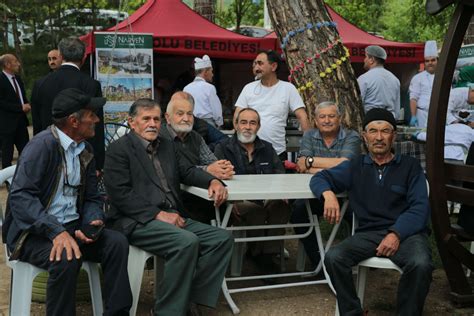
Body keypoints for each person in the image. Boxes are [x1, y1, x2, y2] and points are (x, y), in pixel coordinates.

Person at [2, 88, 133, 316]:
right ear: (74, 121)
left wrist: (92, 221)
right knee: (66, 257)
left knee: (116, 243)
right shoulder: (41, 147)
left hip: (71, 228)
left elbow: (93, 196)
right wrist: (55, 231)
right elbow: (21, 198)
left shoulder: (86, 149)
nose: (97, 120)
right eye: (91, 115)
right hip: (33, 235)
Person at [104, 98, 234, 315]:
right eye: (146, 119)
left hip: (173, 215)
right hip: (137, 220)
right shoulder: (119, 149)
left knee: (222, 239)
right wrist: (157, 214)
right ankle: (167, 311)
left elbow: (188, 171)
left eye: (155, 118)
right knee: (186, 242)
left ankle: (191, 300)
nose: (152, 123)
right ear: (132, 122)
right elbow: (120, 194)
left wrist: (213, 181)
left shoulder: (166, 146)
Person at [312, 108, 433, 315]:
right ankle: (352, 312)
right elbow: (320, 178)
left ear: (393, 136)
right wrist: (328, 195)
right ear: (364, 136)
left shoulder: (410, 166)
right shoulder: (355, 166)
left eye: (385, 131)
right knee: (334, 258)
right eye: (373, 131)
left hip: (407, 234)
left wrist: (395, 234)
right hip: (369, 234)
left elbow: (420, 207)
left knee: (421, 264)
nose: (379, 137)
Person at [214, 108, 291, 273]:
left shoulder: (267, 148)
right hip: (235, 202)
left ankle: (267, 255)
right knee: (256, 211)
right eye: (243, 122)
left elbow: (280, 175)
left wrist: (280, 194)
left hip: (266, 199)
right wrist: (232, 201)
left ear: (258, 127)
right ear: (236, 125)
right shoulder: (222, 148)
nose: (247, 127)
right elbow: (218, 179)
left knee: (282, 206)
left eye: (252, 123)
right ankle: (259, 256)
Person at [291, 101, 361, 266]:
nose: (327, 120)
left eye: (331, 116)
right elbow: (301, 166)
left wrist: (312, 162)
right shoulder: (309, 135)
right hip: (315, 193)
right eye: (322, 117)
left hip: (348, 194)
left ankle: (360, 257)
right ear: (315, 120)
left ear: (339, 119)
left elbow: (346, 164)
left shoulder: (352, 136)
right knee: (298, 215)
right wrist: (335, 165)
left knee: (360, 217)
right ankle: (319, 262)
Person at [30, 37, 105, 170]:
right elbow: (96, 126)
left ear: (60, 56)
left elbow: (37, 123)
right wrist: (97, 163)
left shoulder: (40, 84)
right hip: (83, 156)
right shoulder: (91, 84)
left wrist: (39, 153)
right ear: (84, 57)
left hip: (49, 151)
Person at [160, 92, 234, 223]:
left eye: (189, 114)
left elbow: (212, 162)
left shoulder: (195, 137)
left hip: (200, 195)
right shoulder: (160, 138)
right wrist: (207, 170)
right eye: (180, 114)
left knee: (228, 210)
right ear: (168, 117)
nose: (186, 118)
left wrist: (223, 168)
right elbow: (173, 170)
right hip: (172, 201)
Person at [235, 50, 310, 160]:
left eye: (260, 63)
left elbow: (302, 117)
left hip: (277, 152)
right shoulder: (248, 88)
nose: (256, 67)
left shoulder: (288, 88)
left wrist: (308, 147)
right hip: (249, 152)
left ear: (273, 66)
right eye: (254, 64)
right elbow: (237, 117)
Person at [0, 54, 30, 168]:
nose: (18, 64)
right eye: (15, 61)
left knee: (26, 152)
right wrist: (19, 108)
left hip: (21, 122)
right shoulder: (1, 79)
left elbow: (21, 96)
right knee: (7, 154)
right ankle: (8, 181)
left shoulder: (17, 78)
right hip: (7, 125)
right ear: (7, 64)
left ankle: (26, 176)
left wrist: (26, 104)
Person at [358, 45, 401, 119]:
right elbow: (397, 109)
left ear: (371, 60)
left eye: (366, 57)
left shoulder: (364, 78)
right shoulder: (395, 79)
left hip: (370, 120)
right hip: (389, 121)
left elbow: (357, 104)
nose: (364, 60)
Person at [184, 55, 223, 128]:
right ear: (205, 72)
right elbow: (216, 111)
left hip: (190, 125)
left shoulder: (186, 88)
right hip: (207, 125)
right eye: (211, 71)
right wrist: (219, 124)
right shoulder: (210, 88)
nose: (213, 74)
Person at [409, 40, 438, 127]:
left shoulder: (443, 78)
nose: (430, 63)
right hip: (422, 114)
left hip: (439, 115)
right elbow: (413, 98)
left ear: (437, 61)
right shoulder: (417, 78)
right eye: (427, 61)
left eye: (433, 60)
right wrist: (413, 115)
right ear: (424, 63)